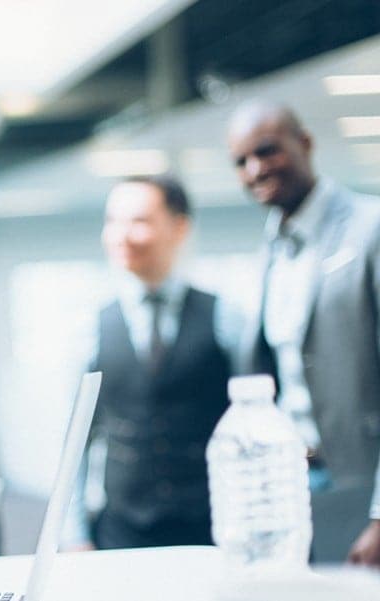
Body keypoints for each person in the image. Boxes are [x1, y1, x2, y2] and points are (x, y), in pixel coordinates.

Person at [228, 100, 380, 566]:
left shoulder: (369, 227)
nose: (255, 169)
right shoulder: (269, 252)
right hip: (294, 498)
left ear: (306, 143)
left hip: (364, 490)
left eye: (268, 151)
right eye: (241, 161)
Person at [62, 176, 237, 551]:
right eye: (112, 221)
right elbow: (74, 442)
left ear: (179, 227)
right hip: (121, 534)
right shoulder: (90, 326)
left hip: (212, 531)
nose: (121, 235)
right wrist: (74, 534)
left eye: (138, 221)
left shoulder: (226, 317)